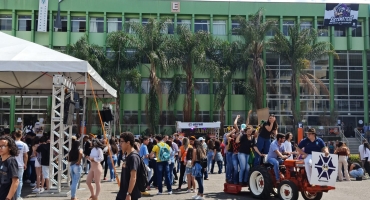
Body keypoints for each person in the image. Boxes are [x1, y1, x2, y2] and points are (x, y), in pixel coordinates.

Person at [116, 132, 142, 200]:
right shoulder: (127, 155)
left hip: (130, 194)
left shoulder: (133, 157)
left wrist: (129, 194)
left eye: (121, 142)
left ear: (128, 143)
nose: (120, 144)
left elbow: (133, 177)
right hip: (123, 192)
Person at [0, 135, 20, 200]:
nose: (0, 148)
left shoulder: (11, 161)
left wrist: (8, 198)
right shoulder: (1, 160)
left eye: (3, 146)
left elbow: (16, 181)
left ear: (10, 147)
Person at [14, 130, 29, 200]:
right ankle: (18, 196)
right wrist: (25, 163)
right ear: (21, 136)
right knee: (20, 180)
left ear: (14, 135)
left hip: (12, 165)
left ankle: (12, 195)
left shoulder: (12, 144)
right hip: (20, 164)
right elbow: (25, 155)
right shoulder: (24, 144)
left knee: (12, 180)